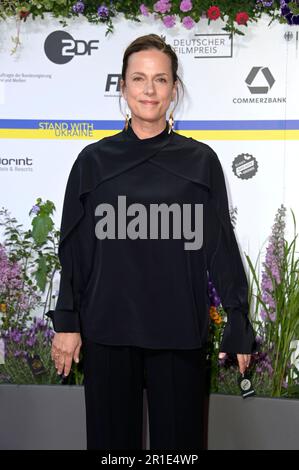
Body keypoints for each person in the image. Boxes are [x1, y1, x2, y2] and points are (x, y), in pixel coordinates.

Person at [46, 33, 257, 450]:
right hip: (108, 331)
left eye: (160, 80)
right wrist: (67, 322)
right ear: (121, 86)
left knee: (179, 453)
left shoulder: (201, 162)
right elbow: (75, 250)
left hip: (179, 332)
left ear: (174, 90)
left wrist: (238, 319)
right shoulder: (93, 162)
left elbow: (220, 246)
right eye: (139, 79)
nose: (149, 89)